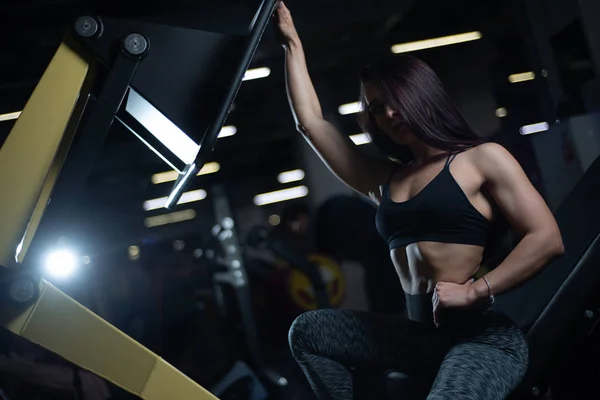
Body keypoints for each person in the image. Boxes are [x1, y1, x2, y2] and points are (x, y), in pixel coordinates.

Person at [274, 2, 565, 399]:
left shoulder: (481, 159)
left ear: (422, 95)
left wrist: (475, 291)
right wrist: (292, 42)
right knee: (309, 332)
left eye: (396, 100)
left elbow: (547, 239)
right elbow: (310, 123)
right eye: (377, 110)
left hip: (480, 341)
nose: (390, 114)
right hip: (417, 341)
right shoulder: (384, 180)